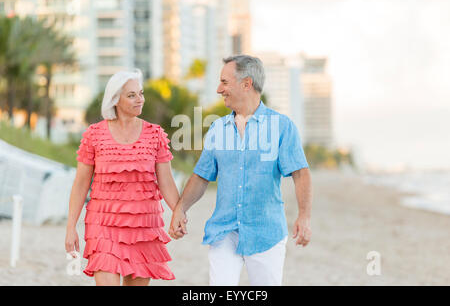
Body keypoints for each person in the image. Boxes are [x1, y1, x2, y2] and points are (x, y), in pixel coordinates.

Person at [169, 55, 312, 286]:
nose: (219, 89)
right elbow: (202, 175)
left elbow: (300, 173)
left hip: (266, 233)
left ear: (246, 84)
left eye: (225, 82)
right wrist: (180, 209)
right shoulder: (217, 129)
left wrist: (304, 216)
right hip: (224, 231)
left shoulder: (282, 127)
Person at [65, 69, 180, 286]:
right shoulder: (94, 135)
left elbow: (166, 182)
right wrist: (71, 228)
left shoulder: (155, 134)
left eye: (141, 93)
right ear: (115, 99)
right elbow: (80, 185)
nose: (140, 99)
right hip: (103, 224)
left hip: (144, 226)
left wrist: (179, 212)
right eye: (132, 95)